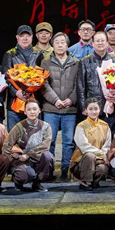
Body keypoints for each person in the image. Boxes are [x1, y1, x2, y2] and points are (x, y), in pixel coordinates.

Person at [40, 32, 79, 180]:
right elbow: (43, 84)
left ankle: (65, 172)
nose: (60, 45)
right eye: (57, 42)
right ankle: (48, 172)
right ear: (53, 45)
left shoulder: (76, 62)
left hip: (70, 109)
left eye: (63, 42)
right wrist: (55, 100)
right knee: (49, 141)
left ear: (67, 45)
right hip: (51, 108)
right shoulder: (45, 62)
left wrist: (71, 100)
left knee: (68, 143)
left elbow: (79, 85)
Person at [77, 31, 115, 134]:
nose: (100, 43)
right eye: (97, 41)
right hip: (92, 106)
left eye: (102, 40)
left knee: (108, 135)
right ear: (93, 44)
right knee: (92, 136)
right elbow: (81, 87)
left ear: (107, 43)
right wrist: (83, 107)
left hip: (110, 105)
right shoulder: (84, 62)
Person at [3, 99, 53, 192]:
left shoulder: (46, 126)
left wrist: (29, 154)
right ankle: (18, 181)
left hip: (37, 157)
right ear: (25, 112)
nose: (32, 112)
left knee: (48, 156)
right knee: (25, 175)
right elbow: (7, 145)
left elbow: (45, 145)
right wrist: (12, 160)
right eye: (29, 109)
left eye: (34, 109)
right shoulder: (18, 127)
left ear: (39, 110)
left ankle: (37, 183)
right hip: (21, 160)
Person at [2, 25, 44, 130]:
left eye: (28, 36)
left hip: (34, 103)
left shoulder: (39, 54)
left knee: (34, 136)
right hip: (14, 104)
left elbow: (42, 77)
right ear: (17, 37)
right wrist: (17, 92)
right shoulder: (9, 54)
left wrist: (31, 91)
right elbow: (6, 77)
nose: (25, 38)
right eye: (22, 36)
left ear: (32, 37)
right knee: (14, 135)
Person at [72, 97, 112, 191]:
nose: (93, 112)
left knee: (102, 168)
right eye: (90, 109)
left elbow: (107, 145)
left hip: (99, 160)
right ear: (86, 111)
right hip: (81, 161)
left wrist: (103, 154)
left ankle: (95, 182)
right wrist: (101, 154)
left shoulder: (105, 126)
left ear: (100, 110)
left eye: (96, 109)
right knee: (90, 155)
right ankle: (83, 182)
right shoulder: (81, 126)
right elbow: (84, 147)